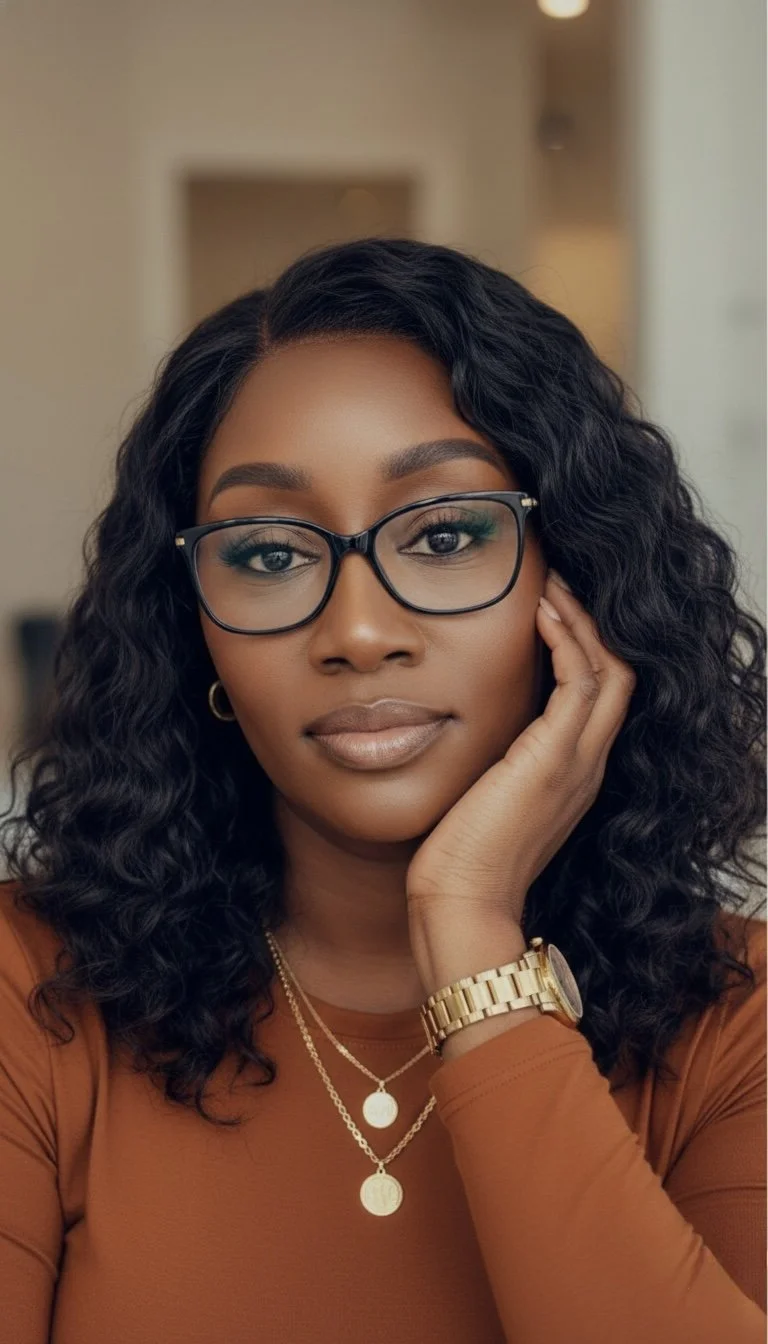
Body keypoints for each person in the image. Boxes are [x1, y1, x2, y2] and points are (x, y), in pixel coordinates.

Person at [0, 237, 765, 1344]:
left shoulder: (740, 1028)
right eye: (269, 554)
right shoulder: (31, 996)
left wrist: (471, 928)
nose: (358, 632)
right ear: (192, 627)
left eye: (445, 534)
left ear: (580, 576)